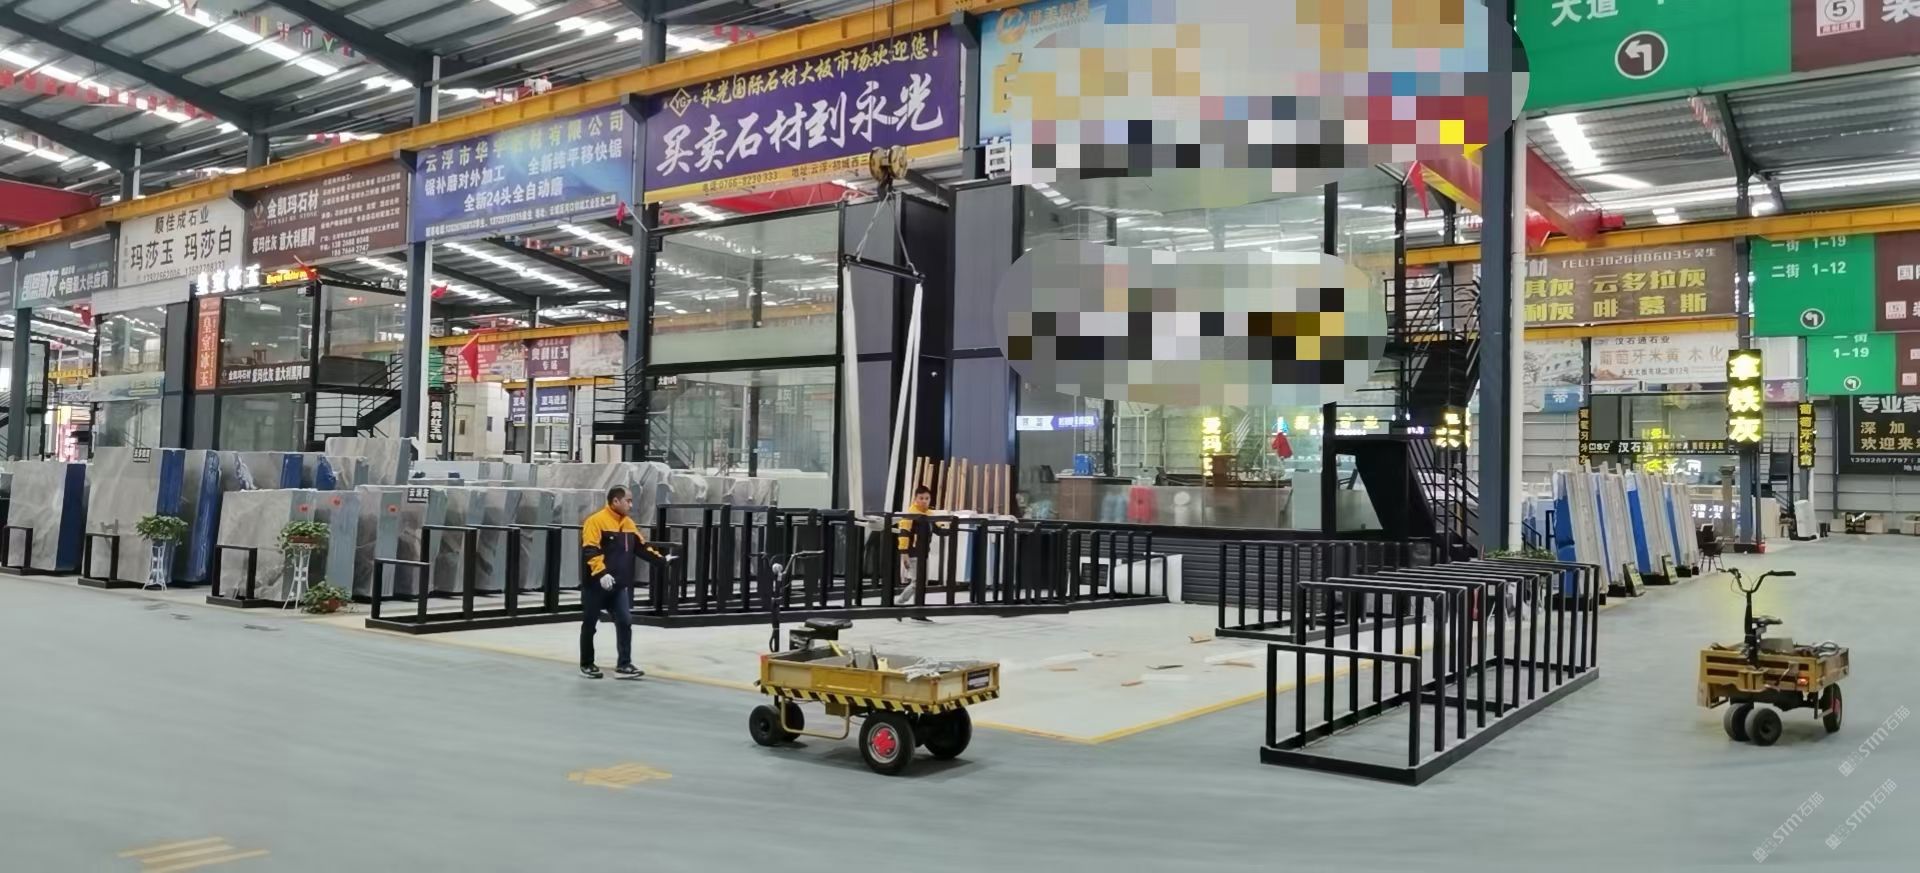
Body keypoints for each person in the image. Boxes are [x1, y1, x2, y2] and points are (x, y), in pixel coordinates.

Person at [579, 485, 672, 679]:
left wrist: (662, 560)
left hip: (619, 585)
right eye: (628, 501)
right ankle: (587, 664)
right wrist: (601, 573)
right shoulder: (595, 521)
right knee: (590, 623)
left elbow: (641, 547)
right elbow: (590, 549)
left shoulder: (628, 524)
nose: (631, 504)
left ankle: (624, 664)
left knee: (625, 621)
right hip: (596, 585)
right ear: (615, 501)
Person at [893, 486, 934, 613]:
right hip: (913, 553)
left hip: (924, 553)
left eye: (927, 498)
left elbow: (938, 529)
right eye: (921, 498)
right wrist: (904, 553)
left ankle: (918, 610)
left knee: (922, 582)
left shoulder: (929, 514)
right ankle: (900, 603)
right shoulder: (910, 515)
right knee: (918, 582)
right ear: (915, 499)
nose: (924, 501)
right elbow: (904, 534)